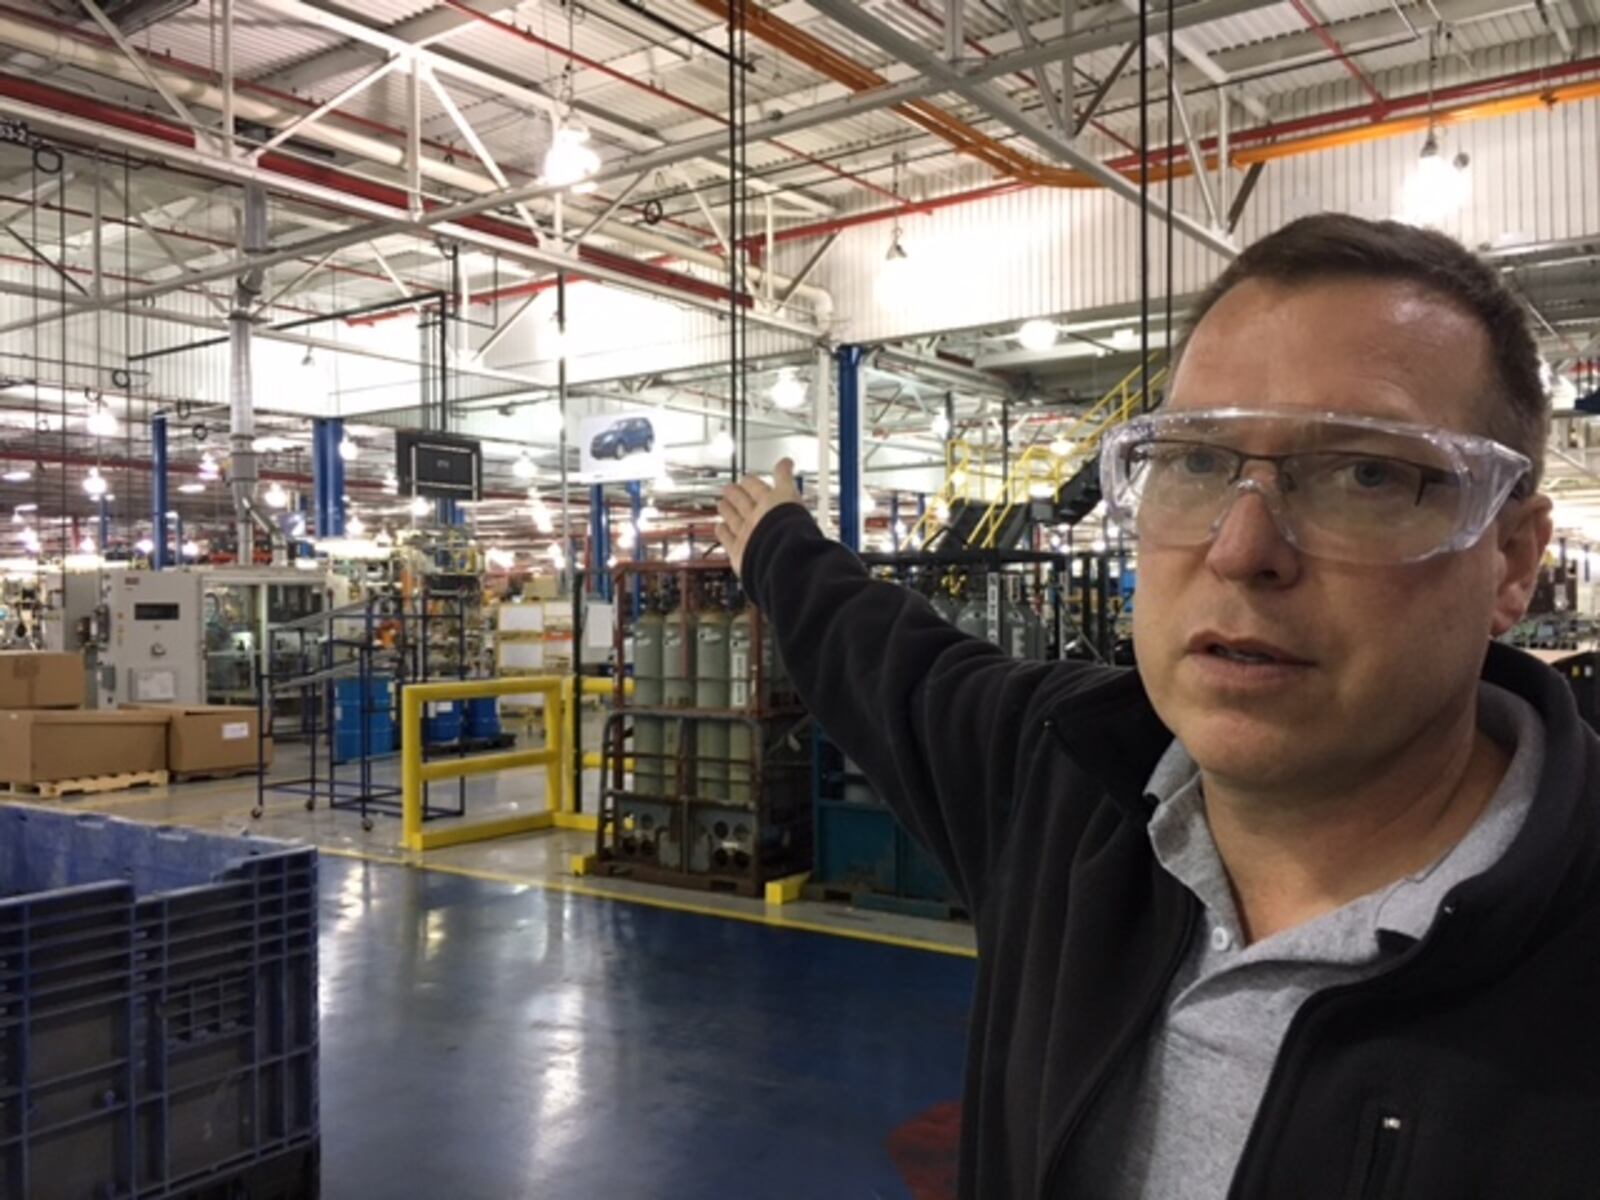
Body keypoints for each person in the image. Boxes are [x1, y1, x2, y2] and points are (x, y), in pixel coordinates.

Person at [714, 214, 1600, 1199]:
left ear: (1511, 559)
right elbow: (878, 655)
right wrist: (776, 543)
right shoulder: (1062, 782)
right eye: (1194, 462)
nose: (1239, 548)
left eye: (1367, 473)